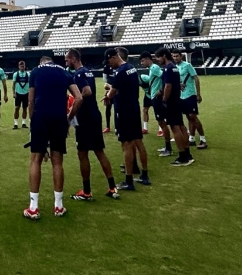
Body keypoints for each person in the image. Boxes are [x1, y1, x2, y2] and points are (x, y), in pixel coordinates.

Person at [24, 51, 81, 220]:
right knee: (58, 161)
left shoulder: (35, 71)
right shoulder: (64, 71)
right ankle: (58, 206)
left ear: (42, 61)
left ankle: (34, 207)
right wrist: (68, 119)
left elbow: (31, 100)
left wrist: (33, 121)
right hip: (58, 119)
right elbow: (78, 98)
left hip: (40, 118)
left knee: (36, 160)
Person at [65, 49, 118, 202]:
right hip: (94, 115)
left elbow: (86, 91)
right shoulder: (88, 72)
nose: (66, 62)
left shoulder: (78, 74)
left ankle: (86, 192)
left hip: (85, 118)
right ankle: (112, 187)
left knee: (82, 153)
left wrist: (76, 98)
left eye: (67, 59)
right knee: (99, 151)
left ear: (73, 58)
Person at [104, 46, 150, 189]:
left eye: (109, 61)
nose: (109, 65)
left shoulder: (120, 72)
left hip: (123, 111)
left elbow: (112, 94)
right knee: (138, 142)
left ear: (113, 57)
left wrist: (107, 91)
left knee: (126, 144)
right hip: (134, 107)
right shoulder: (131, 68)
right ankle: (144, 174)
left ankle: (128, 180)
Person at [158, 48, 194, 167]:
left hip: (171, 102)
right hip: (177, 100)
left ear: (164, 56)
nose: (158, 60)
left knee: (175, 128)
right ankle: (187, 154)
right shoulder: (174, 67)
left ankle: (182, 155)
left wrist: (164, 100)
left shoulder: (168, 68)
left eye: (158, 57)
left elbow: (168, 86)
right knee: (182, 126)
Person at [141, 53, 172, 156]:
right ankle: (167, 146)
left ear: (147, 59)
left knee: (162, 122)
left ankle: (168, 149)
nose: (141, 63)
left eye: (142, 61)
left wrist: (161, 90)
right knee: (161, 122)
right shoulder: (152, 68)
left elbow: (164, 77)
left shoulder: (154, 67)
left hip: (157, 98)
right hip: (154, 97)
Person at [177, 51, 207, 149]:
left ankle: (203, 139)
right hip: (181, 96)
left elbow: (196, 78)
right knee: (188, 117)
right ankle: (192, 139)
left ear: (181, 56)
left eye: (177, 56)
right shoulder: (174, 67)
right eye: (173, 56)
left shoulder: (187, 65)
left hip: (190, 94)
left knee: (193, 116)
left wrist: (198, 94)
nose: (175, 57)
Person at [11, 59, 30, 129]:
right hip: (18, 94)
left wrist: (29, 94)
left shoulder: (28, 74)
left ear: (25, 66)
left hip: (26, 94)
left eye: (23, 66)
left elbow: (30, 85)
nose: (22, 67)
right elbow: (13, 85)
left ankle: (23, 123)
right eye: (21, 66)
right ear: (19, 66)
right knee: (17, 108)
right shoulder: (16, 74)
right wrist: (13, 93)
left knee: (25, 108)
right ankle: (15, 123)